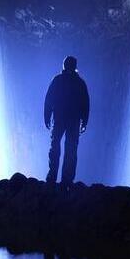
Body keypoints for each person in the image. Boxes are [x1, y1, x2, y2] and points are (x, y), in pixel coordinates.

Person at [44, 55, 89, 186]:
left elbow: (49, 99)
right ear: (75, 67)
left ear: (64, 66)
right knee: (71, 149)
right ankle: (67, 180)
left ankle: (52, 177)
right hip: (73, 120)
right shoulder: (80, 83)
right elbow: (85, 103)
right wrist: (84, 121)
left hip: (59, 118)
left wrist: (47, 116)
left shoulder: (57, 80)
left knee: (55, 147)